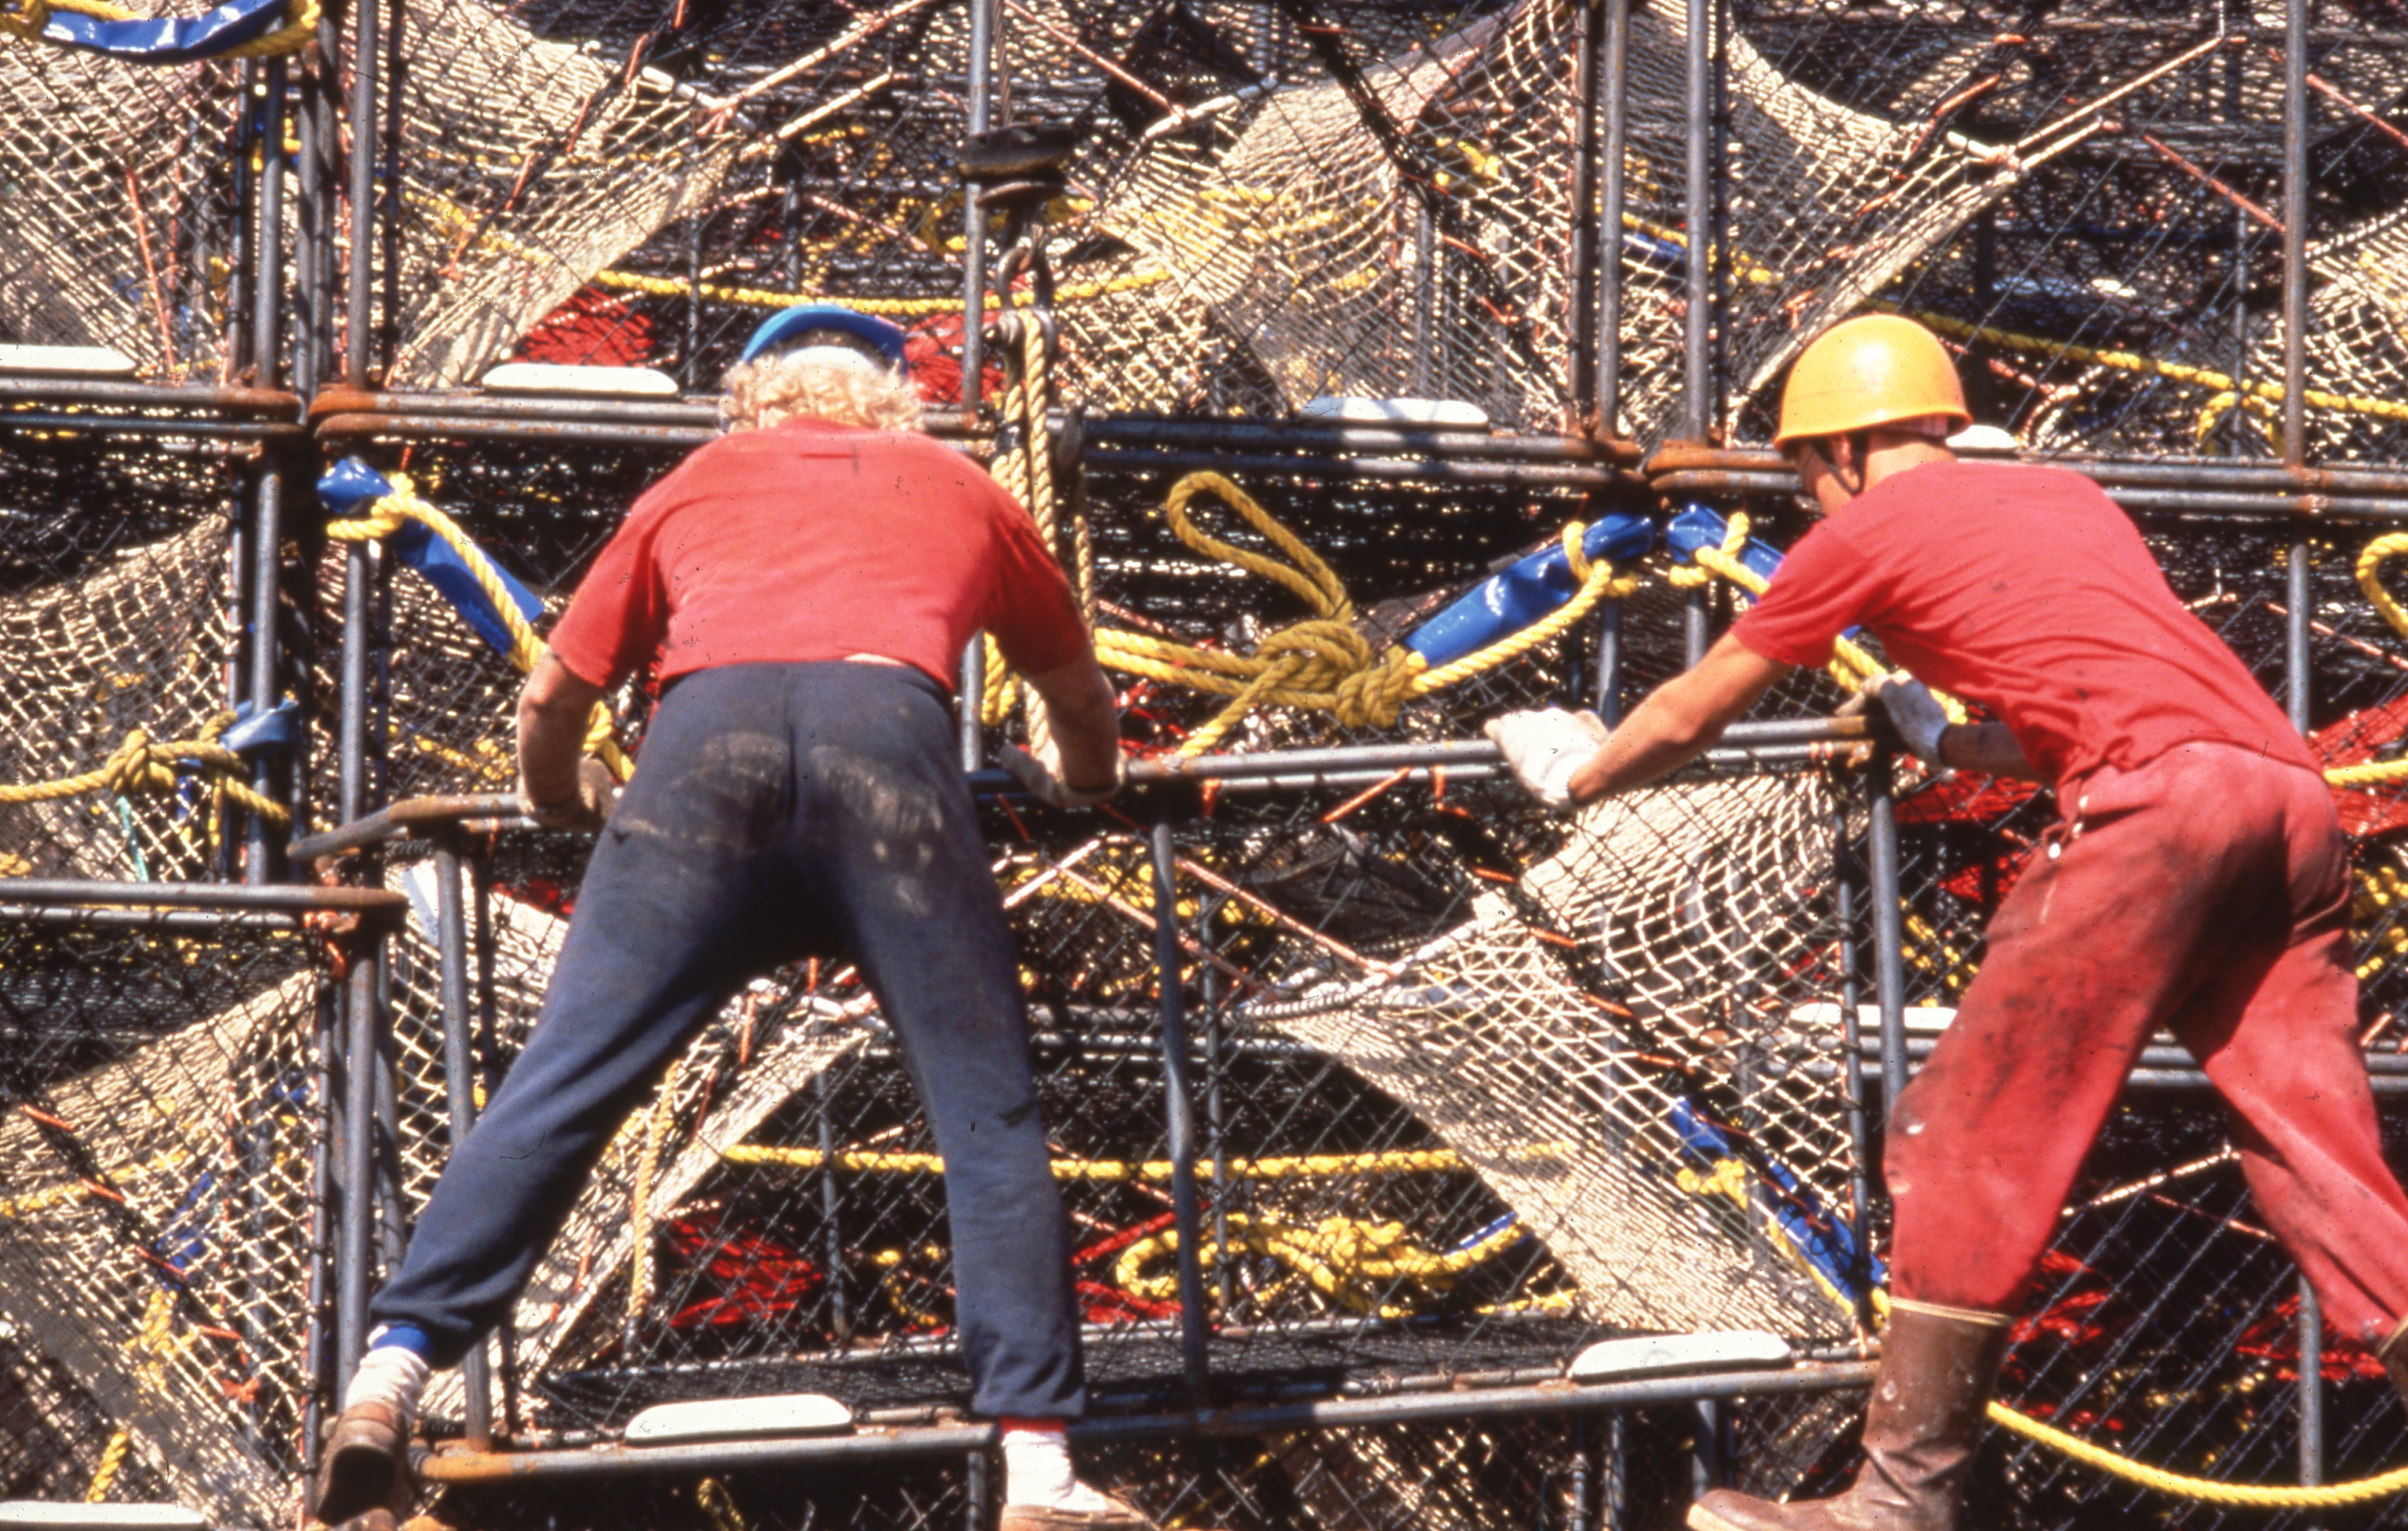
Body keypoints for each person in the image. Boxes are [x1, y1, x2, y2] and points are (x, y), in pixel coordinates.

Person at [1485, 313, 2408, 1531]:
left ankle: (1898, 1504)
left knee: (1971, 1130)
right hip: (2288, 804)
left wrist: (1580, 774)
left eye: (1806, 475)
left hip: (2158, 814)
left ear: (1845, 451)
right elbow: (2089, 708)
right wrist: (1944, 736)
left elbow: (1695, 712)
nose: (1810, 499)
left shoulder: (1864, 529)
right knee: (2315, 1147)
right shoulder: (2067, 499)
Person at [315, 304, 1151, 1531]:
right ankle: (1038, 1469)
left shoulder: (696, 482)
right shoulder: (965, 488)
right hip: (891, 752)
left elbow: (553, 699)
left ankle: (387, 1379)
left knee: (564, 1081)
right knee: (986, 1110)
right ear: (897, 400)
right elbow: (1076, 695)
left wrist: (564, 801)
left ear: (754, 399)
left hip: (702, 763)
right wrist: (1081, 783)